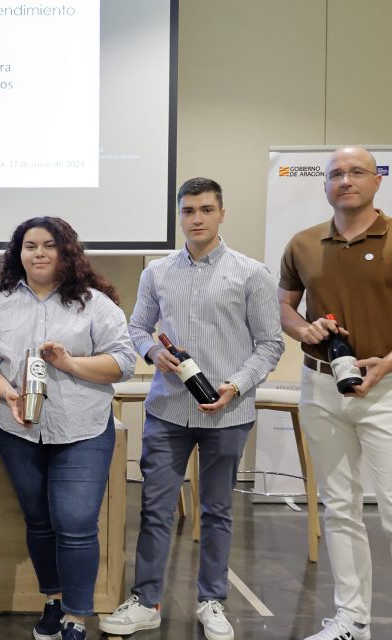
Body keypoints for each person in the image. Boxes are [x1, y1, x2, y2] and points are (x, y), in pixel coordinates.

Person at [279, 146, 392, 640]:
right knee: (339, 507)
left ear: (378, 182)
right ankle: (351, 620)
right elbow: (285, 309)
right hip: (320, 386)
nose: (345, 181)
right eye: (336, 174)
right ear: (325, 185)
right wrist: (301, 329)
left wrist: (389, 363)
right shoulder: (303, 243)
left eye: (357, 172)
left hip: (387, 389)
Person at [101, 178, 283, 640]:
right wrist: (150, 352)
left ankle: (212, 601)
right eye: (187, 211)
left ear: (222, 214)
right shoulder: (157, 272)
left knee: (218, 511)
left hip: (228, 413)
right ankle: (146, 601)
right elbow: (137, 327)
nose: (196, 218)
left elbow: (270, 344)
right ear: (179, 216)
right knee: (156, 509)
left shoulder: (252, 273)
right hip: (167, 411)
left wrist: (237, 385)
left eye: (205, 209)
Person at [0, 217, 136, 640]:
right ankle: (53, 600)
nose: (39, 253)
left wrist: (70, 363)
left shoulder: (95, 303)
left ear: (66, 252)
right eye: (30, 246)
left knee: (77, 521)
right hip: (17, 428)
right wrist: (5, 391)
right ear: (18, 253)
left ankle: (77, 617)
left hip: (81, 428)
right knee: (39, 520)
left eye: (49, 245)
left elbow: (124, 361)